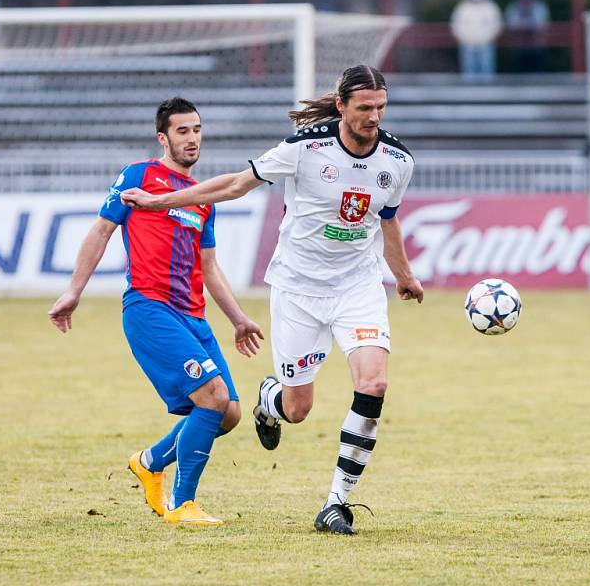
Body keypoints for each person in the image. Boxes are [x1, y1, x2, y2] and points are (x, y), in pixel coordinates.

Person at [120, 65, 424, 535]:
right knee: (298, 408)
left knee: (375, 383)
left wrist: (403, 276)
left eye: (381, 107)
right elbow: (234, 185)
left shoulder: (397, 160)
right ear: (341, 106)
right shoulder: (304, 149)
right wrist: (160, 203)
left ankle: (336, 503)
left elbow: (387, 219)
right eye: (364, 108)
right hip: (298, 290)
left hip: (358, 288)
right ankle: (270, 399)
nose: (374, 117)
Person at [48, 97, 263, 527]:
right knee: (213, 397)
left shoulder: (203, 199)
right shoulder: (139, 175)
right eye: (182, 131)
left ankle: (149, 462)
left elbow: (210, 268)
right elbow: (102, 230)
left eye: (197, 129)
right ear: (163, 137)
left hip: (194, 316)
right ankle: (183, 505)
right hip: (150, 308)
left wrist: (238, 318)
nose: (192, 138)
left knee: (230, 413)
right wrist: (74, 290)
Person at [450, 0, 503, 81]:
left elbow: (496, 25)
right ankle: (469, 93)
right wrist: (463, 39)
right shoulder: (462, 7)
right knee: (469, 71)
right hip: (467, 44)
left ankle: (487, 92)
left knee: (486, 70)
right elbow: (456, 25)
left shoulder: (490, 7)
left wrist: (490, 38)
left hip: (486, 44)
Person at [505, 0, 550, 72]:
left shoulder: (539, 7)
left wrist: (524, 25)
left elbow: (540, 24)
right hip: (519, 45)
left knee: (538, 65)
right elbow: (511, 24)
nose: (526, 1)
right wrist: (527, 26)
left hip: (536, 44)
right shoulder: (514, 7)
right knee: (520, 65)